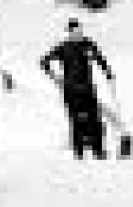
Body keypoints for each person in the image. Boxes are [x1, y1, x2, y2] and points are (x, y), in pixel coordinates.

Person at [41, 18, 115, 159]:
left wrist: (107, 72)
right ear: (69, 33)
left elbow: (100, 59)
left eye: (78, 31)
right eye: (74, 31)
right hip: (72, 89)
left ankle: (96, 150)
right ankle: (81, 151)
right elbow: (44, 62)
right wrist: (55, 78)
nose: (77, 34)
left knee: (92, 119)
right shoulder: (64, 47)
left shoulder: (86, 44)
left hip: (85, 87)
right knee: (77, 120)